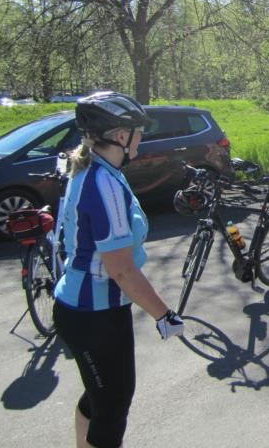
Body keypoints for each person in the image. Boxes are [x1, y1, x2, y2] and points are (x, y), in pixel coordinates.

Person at [53, 91, 184, 448]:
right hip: (94, 314)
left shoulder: (98, 169)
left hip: (83, 309)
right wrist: (164, 315)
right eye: (138, 131)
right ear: (122, 136)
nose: (141, 138)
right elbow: (121, 270)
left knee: (100, 399)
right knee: (112, 407)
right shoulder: (104, 184)